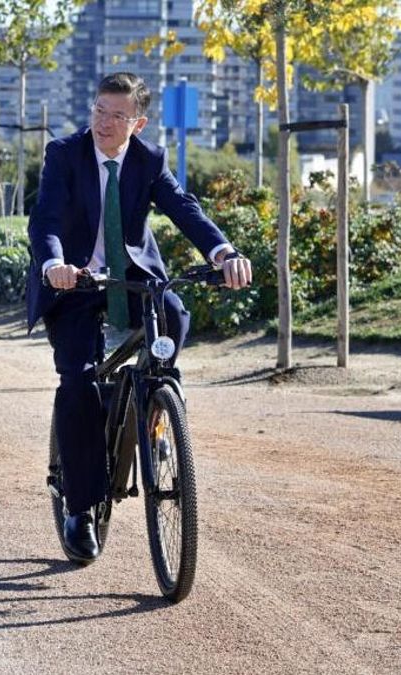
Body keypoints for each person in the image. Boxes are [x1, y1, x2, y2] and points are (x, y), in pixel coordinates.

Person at [26, 72, 253, 563]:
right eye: (99, 111)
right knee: (78, 381)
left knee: (173, 317)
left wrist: (223, 252)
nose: (105, 124)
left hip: (131, 274)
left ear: (139, 122)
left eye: (118, 116)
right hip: (74, 279)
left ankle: (155, 413)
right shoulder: (64, 153)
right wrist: (54, 266)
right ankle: (81, 508)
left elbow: (184, 208)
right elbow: (44, 219)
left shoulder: (148, 159)